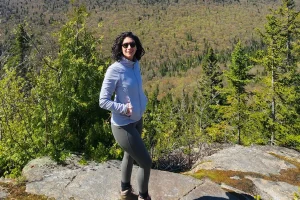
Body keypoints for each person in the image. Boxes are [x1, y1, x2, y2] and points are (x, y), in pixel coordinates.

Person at [99, 32, 152, 200]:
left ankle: (125, 191)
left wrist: (143, 100)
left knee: (129, 155)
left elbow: (135, 89)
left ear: (137, 47)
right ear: (120, 48)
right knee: (145, 162)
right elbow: (103, 101)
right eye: (125, 45)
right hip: (123, 125)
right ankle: (144, 197)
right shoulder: (115, 70)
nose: (129, 47)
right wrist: (123, 108)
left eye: (132, 44)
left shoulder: (135, 64)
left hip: (137, 120)